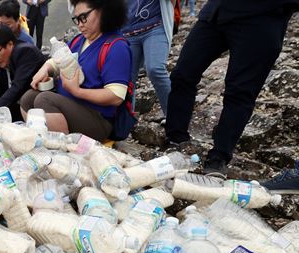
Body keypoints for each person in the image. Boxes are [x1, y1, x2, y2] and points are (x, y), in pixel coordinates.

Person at [164, 0, 298, 179]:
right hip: (216, 12)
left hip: (261, 23)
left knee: (240, 92)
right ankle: (176, 139)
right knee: (182, 74)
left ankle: (219, 157)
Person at [21, 0, 131, 141]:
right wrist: (46, 68)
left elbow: (116, 96)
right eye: (77, 19)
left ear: (103, 11)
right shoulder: (79, 40)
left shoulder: (116, 47)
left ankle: (64, 151)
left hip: (98, 118)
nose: (80, 24)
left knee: (45, 100)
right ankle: (40, 141)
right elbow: (59, 60)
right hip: (72, 105)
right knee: (28, 98)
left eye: (83, 17)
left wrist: (76, 91)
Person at [0, 26, 46, 121]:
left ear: (10, 44)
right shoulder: (4, 59)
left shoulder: (25, 52)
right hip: (20, 103)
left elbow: (18, 87)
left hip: (37, 105)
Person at [122, 0, 175, 118]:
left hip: (155, 27)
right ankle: (125, 124)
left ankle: (174, 118)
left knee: (155, 69)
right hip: (126, 33)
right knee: (126, 80)